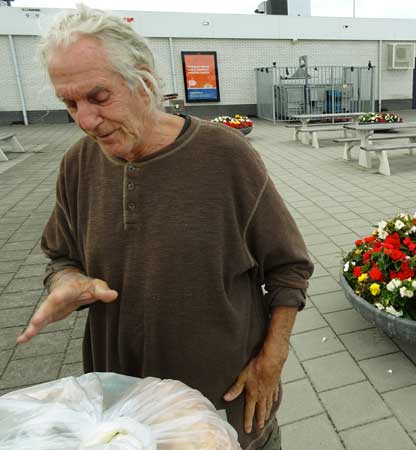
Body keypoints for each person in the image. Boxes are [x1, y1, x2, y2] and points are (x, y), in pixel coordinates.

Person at [16, 5, 313, 450]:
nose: (84, 121)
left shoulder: (225, 156)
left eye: (98, 97)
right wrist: (68, 281)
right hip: (123, 417)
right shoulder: (78, 164)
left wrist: (272, 360)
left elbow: (289, 267)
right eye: (69, 103)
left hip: (227, 405)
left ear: (144, 81)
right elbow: (62, 255)